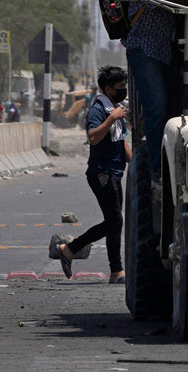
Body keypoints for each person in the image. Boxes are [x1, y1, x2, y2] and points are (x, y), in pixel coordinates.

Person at [55, 66, 131, 283]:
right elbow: (93, 137)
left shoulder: (115, 108)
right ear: (108, 88)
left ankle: (73, 251)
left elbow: (120, 141)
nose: (123, 90)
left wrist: (136, 164)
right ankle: (111, 268)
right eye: (120, 87)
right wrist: (111, 119)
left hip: (115, 172)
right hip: (101, 173)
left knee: (114, 222)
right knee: (115, 221)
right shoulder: (99, 108)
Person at [125, 0, 180, 182]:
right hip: (145, 49)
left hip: (162, 49)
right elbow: (171, 1)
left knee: (170, 110)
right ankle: (157, 170)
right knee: (156, 109)